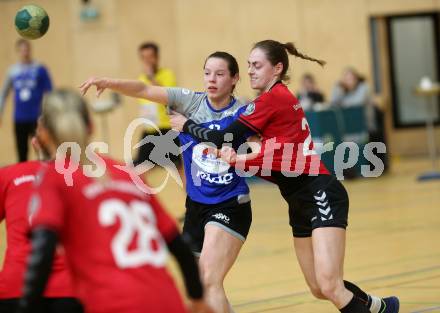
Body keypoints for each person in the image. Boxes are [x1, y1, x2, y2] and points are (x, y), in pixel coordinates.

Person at [170, 40, 400, 313]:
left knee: (329, 285)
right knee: (318, 287)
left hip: (319, 191)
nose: (251, 72)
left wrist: (187, 125)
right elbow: (268, 151)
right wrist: (239, 158)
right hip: (297, 200)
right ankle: (379, 307)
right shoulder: (269, 104)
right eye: (249, 66)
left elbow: (223, 137)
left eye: (257, 66)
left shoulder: (272, 98)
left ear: (277, 68)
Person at [79, 51, 253, 313]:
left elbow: (264, 147)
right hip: (196, 207)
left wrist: (245, 156)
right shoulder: (190, 101)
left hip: (229, 203)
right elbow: (144, 89)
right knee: (201, 285)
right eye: (207, 73)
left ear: (234, 78)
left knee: (209, 279)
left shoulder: (244, 111)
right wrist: (109, 82)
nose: (211, 79)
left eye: (219, 74)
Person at [16, 89, 213, 313]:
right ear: (91, 126)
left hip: (112, 303)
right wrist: (197, 298)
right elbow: (179, 247)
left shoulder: (53, 177)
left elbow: (43, 252)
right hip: (168, 301)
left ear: (43, 135)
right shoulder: (128, 173)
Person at [0, 152, 83, 313]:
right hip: (70, 290)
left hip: (15, 286)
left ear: (35, 143)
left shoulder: (10, 173)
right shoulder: (86, 177)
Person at [0, 39, 52, 162]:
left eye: (27, 49)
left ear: (30, 50)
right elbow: (4, 93)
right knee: (22, 153)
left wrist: (49, 114)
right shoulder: (13, 71)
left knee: (43, 152)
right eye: (22, 50)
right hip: (20, 118)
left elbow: (50, 93)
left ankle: (45, 177)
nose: (25, 52)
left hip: (37, 119)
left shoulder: (40, 69)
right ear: (18, 52)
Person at [135, 42, 181, 168]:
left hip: (166, 128)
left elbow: (167, 96)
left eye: (150, 57)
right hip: (149, 128)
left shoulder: (167, 74)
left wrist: (151, 78)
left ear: (157, 57)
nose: (147, 61)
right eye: (143, 58)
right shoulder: (141, 78)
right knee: (140, 167)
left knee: (175, 168)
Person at [330, 67, 376, 133]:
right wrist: (337, 87)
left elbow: (358, 102)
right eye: (346, 79)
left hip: (367, 126)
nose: (349, 82)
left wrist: (342, 103)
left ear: (356, 79)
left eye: (351, 79)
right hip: (351, 127)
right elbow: (333, 103)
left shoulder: (364, 87)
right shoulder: (343, 90)